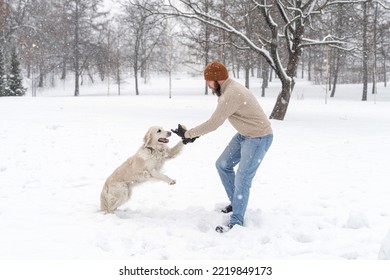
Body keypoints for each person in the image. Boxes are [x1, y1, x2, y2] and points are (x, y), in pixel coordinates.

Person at [172, 61, 273, 233]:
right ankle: (236, 203)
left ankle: (237, 222)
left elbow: (214, 123)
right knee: (223, 164)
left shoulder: (231, 94)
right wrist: (192, 135)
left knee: (243, 178)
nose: (208, 86)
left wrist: (189, 134)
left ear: (217, 80)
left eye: (209, 82)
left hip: (258, 137)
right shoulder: (227, 89)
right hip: (245, 134)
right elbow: (215, 120)